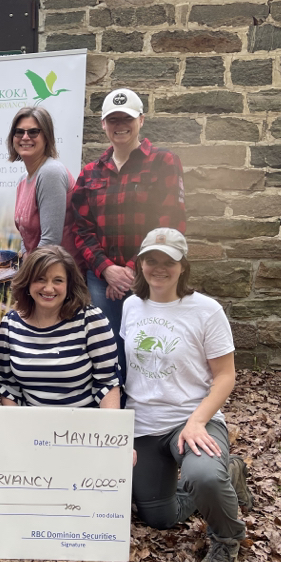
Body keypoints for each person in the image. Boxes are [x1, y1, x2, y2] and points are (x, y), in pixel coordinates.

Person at [120, 228, 253, 562]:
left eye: (169, 262)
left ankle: (227, 538)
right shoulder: (131, 305)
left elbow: (225, 376)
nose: (159, 268)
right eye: (151, 260)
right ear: (140, 263)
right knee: (159, 518)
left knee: (203, 476)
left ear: (183, 267)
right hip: (144, 425)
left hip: (191, 420)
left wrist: (197, 421)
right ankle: (233, 471)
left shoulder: (206, 311)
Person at [72, 88, 186, 380]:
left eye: (127, 118)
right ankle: (116, 410)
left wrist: (134, 270)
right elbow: (81, 228)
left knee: (150, 347)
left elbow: (170, 222)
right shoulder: (90, 173)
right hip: (103, 279)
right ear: (103, 124)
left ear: (141, 120)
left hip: (152, 273)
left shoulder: (164, 162)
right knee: (108, 348)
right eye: (112, 119)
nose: (119, 125)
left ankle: (148, 411)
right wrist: (107, 269)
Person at [0, 246, 120, 409]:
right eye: (40, 279)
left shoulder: (90, 319)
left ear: (70, 284)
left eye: (58, 280)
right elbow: (8, 386)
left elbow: (108, 383)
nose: (48, 288)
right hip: (31, 426)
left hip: (82, 428)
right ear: (27, 282)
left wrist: (107, 432)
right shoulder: (10, 324)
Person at [7, 105, 79, 260]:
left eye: (33, 132)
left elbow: (50, 242)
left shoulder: (50, 172)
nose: (25, 137)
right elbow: (25, 235)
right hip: (37, 270)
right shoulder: (22, 180)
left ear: (46, 137)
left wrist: (27, 274)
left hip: (59, 275)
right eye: (19, 132)